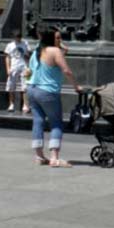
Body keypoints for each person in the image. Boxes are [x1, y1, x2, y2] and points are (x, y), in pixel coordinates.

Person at [25, 29, 81, 167]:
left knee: (38, 121)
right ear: (51, 39)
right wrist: (76, 86)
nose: (60, 40)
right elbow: (66, 71)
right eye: (58, 38)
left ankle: (39, 156)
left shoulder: (37, 51)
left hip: (32, 89)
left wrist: (62, 48)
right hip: (47, 91)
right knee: (56, 123)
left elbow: (31, 70)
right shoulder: (55, 51)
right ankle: (54, 158)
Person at [4, 31, 31, 114]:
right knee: (11, 85)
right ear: (14, 37)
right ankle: (11, 104)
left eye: (19, 37)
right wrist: (8, 68)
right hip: (14, 67)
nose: (18, 39)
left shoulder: (25, 43)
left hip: (24, 66)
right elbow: (7, 57)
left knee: (25, 86)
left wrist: (26, 56)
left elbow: (29, 55)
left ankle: (25, 105)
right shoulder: (10, 45)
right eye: (16, 37)